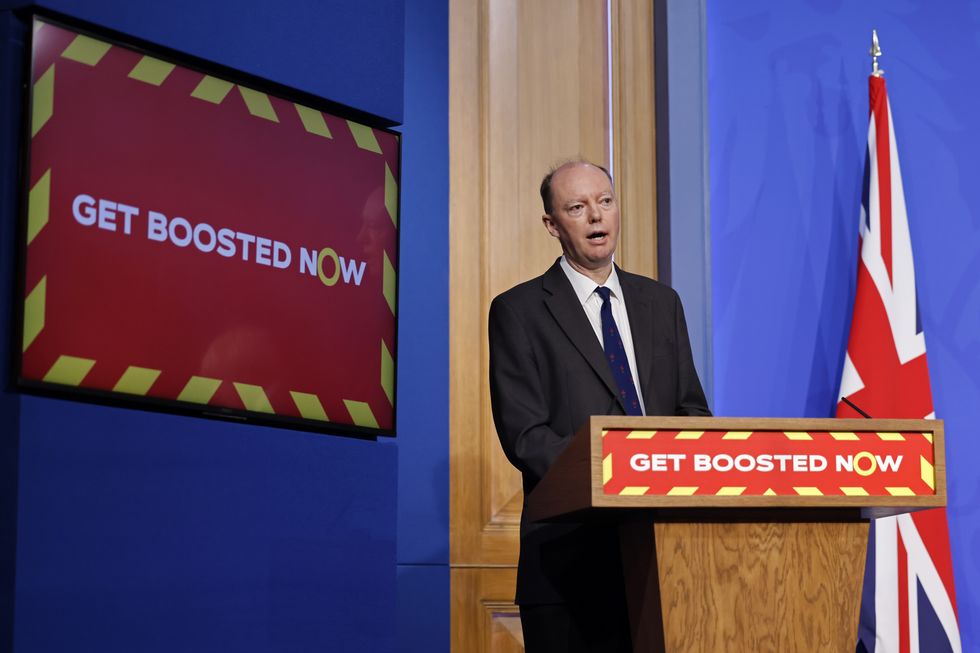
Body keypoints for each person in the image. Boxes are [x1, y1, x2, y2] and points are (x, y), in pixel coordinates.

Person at [488, 159, 711, 652]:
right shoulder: (519, 311)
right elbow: (526, 436)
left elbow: (692, 412)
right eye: (577, 207)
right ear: (553, 224)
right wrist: (617, 474)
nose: (596, 217)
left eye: (605, 202)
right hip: (571, 560)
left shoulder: (661, 303)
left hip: (664, 557)